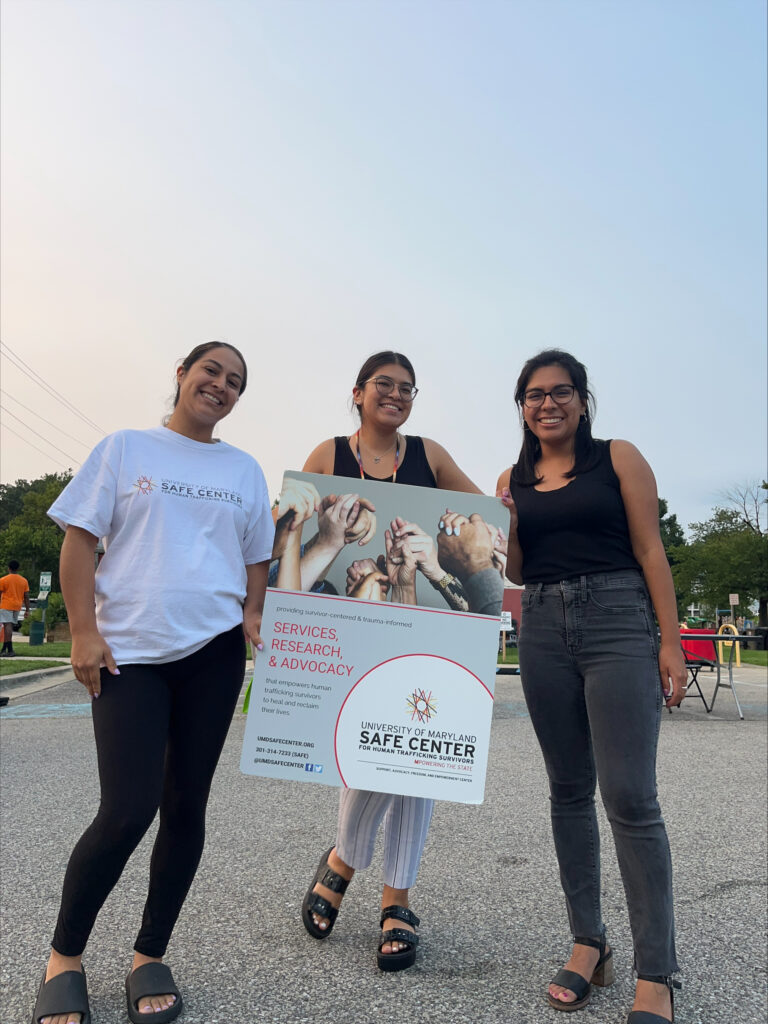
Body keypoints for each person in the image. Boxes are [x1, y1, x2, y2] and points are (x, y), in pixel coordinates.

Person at [32, 342, 274, 1024]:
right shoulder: (125, 448)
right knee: (127, 809)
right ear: (181, 375)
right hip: (130, 655)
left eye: (234, 382)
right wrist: (84, 630)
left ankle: (148, 953)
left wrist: (255, 609)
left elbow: (257, 555)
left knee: (186, 806)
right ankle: (64, 958)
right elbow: (79, 539)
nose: (220, 386)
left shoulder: (243, 470)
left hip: (214, 654)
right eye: (211, 372)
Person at [496, 349, 686, 1024]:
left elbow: (649, 549)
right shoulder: (510, 477)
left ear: (581, 399)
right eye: (534, 394)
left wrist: (670, 640)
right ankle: (588, 943)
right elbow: (515, 573)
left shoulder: (618, 458)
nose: (547, 404)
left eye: (560, 392)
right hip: (543, 627)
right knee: (568, 791)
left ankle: (656, 972)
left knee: (631, 796)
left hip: (616, 620)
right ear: (520, 405)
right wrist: (508, 526)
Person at [299, 350, 481, 971]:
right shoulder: (329, 454)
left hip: (425, 629)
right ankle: (347, 855)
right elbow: (290, 539)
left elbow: (483, 515)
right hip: (353, 627)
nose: (396, 395)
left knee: (419, 757)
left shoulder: (429, 455)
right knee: (368, 748)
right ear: (357, 392)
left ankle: (392, 892)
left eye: (407, 388)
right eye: (384, 384)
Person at [0, 559, 31, 657]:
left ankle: (10, 649)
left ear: (8, 568)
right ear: (18, 569)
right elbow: (26, 596)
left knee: (7, 626)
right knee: (9, 626)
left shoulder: (3, 580)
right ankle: (4, 649)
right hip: (17, 605)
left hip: (6, 605)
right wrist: (27, 610)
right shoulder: (23, 581)